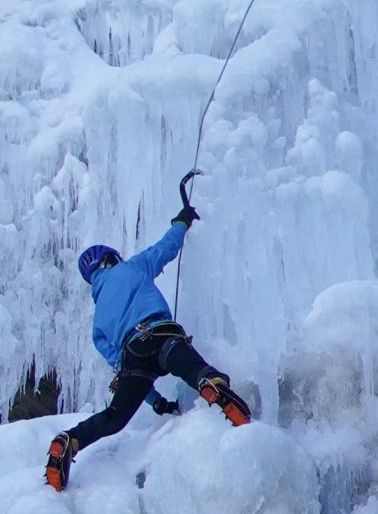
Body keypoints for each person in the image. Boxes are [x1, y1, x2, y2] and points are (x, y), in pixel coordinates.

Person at [46, 198, 250, 491]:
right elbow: (165, 249)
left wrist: (157, 402)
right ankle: (213, 387)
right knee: (196, 369)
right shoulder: (133, 268)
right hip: (161, 336)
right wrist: (182, 220)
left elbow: (120, 368)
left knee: (113, 418)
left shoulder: (98, 323)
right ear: (112, 258)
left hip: (134, 357)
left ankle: (70, 440)